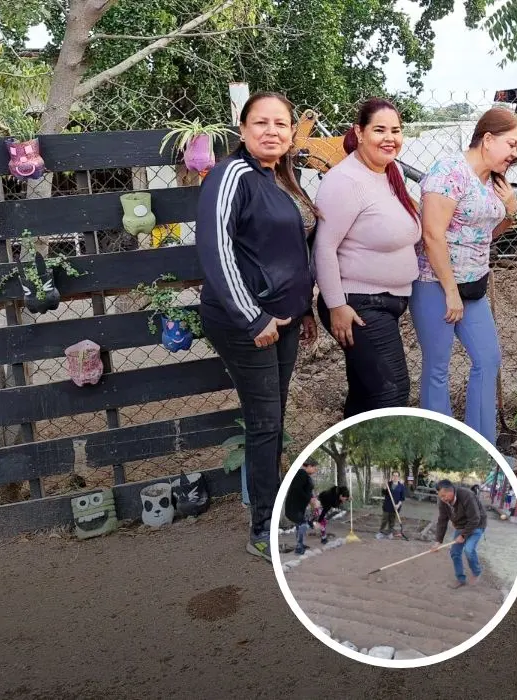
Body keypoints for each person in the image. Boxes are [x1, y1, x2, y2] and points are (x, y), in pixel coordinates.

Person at [195, 91, 320, 560]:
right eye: (261, 123)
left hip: (283, 319)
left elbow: (287, 253)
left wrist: (302, 309)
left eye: (281, 124)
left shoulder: (278, 177)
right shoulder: (232, 175)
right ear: (243, 129)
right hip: (247, 321)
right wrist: (253, 317)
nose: (272, 131)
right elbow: (215, 249)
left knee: (273, 420)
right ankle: (263, 528)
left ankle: (278, 511)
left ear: (291, 134)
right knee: (266, 423)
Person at [412, 107, 517, 448]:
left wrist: (511, 210)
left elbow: (487, 234)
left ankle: (481, 448)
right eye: (511, 144)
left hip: (473, 287)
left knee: (488, 359)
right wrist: (450, 292)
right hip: (436, 285)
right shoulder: (448, 172)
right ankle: (440, 454)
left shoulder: (493, 182)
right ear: (487, 139)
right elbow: (432, 235)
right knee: (438, 369)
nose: (515, 154)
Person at [313, 98, 422, 417]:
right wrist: (336, 305)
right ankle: (385, 467)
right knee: (392, 392)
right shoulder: (345, 181)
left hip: (384, 302)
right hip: (357, 304)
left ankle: (352, 463)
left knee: (366, 395)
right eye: (379, 130)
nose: (390, 137)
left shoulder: (390, 173)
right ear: (359, 133)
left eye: (396, 130)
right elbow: (324, 247)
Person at [429, 478, 488, 589]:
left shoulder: (467, 495)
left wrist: (463, 535)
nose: (442, 499)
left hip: (477, 524)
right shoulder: (443, 502)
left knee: (469, 550)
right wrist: (438, 541)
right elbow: (442, 520)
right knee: (455, 552)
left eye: (444, 495)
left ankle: (477, 571)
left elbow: (475, 518)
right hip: (461, 526)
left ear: (451, 491)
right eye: (440, 496)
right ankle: (461, 579)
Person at [283, 459, 320, 555]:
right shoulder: (301, 474)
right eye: (315, 469)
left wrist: (313, 498)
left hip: (299, 507)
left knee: (300, 525)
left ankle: (300, 544)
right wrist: (310, 499)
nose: (315, 471)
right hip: (293, 507)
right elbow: (297, 489)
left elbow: (307, 490)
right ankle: (299, 548)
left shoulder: (306, 476)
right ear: (309, 466)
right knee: (302, 524)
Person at [377, 471, 407, 539]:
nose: (395, 477)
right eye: (394, 475)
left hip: (395, 507)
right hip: (387, 505)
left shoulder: (401, 486)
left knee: (392, 521)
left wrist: (398, 505)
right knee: (384, 520)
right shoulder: (388, 484)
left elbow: (402, 498)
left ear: (399, 477)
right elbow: (384, 492)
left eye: (396, 476)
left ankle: (389, 533)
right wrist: (385, 485)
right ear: (392, 476)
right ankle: (380, 532)